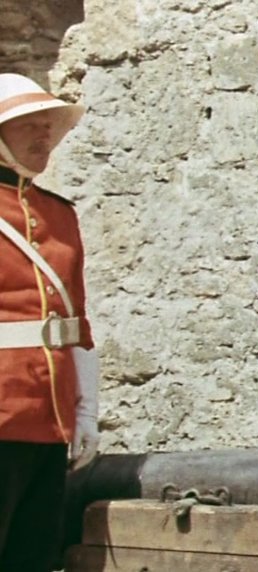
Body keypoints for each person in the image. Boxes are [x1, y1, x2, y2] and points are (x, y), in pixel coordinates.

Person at [0, 73, 100, 572]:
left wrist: (86, 410)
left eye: (48, 126)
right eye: (29, 126)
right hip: (3, 407)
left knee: (34, 557)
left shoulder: (59, 214)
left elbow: (76, 322)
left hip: (50, 416)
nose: (44, 137)